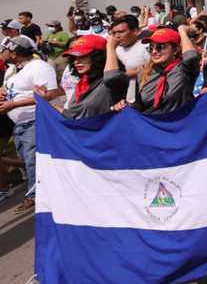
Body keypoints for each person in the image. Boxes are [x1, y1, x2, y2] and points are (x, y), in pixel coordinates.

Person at [0, 36, 59, 214]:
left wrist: (14, 104)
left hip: (35, 121)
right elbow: (11, 89)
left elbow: (51, 93)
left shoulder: (39, 67)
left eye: (5, 50)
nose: (3, 53)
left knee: (33, 161)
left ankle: (35, 197)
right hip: (20, 124)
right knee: (28, 160)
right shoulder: (13, 69)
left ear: (14, 52)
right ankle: (45, 189)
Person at [52, 35, 128, 119]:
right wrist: (53, 107)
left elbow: (111, 77)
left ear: (97, 57)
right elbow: (76, 117)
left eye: (82, 56)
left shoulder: (111, 82)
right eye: (74, 58)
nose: (76, 62)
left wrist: (110, 47)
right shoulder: (83, 83)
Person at [128, 26, 199, 115]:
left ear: (175, 50)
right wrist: (126, 106)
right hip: (152, 121)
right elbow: (139, 106)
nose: (154, 51)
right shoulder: (143, 72)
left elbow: (191, 57)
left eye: (160, 47)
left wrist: (182, 31)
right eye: (151, 47)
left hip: (178, 121)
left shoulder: (183, 70)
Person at [109, 15, 150, 104]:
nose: (117, 36)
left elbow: (154, 69)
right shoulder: (114, 50)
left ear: (135, 31)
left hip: (142, 97)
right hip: (120, 99)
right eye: (114, 33)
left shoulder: (146, 47)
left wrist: (133, 73)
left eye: (121, 32)